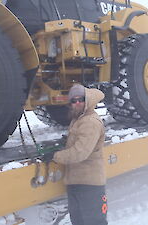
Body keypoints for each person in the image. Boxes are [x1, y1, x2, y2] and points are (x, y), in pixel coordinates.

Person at [53, 84, 108, 225]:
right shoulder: (79, 118)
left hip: (89, 185)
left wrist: (56, 156)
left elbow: (80, 153)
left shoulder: (90, 121)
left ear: (87, 100)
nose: (77, 103)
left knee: (94, 222)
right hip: (77, 182)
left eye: (81, 99)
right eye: (73, 100)